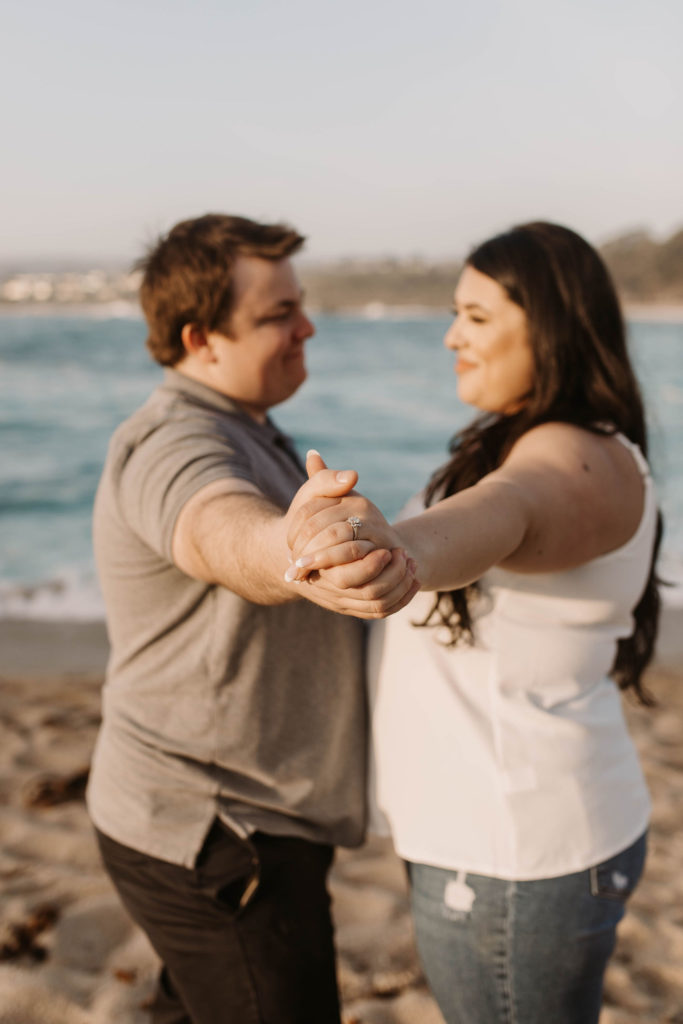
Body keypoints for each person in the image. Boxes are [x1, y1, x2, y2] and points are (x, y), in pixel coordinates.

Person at [285, 221, 662, 1024]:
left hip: (515, 855)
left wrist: (390, 547)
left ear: (552, 325)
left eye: (478, 317)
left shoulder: (574, 457)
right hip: (502, 840)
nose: (452, 336)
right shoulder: (535, 440)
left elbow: (503, 516)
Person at [87, 212, 417, 1024]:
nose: (307, 327)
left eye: (300, 305)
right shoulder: (170, 441)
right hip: (216, 833)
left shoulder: (244, 424)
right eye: (277, 315)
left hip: (225, 820)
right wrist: (291, 547)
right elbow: (213, 526)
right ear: (200, 338)